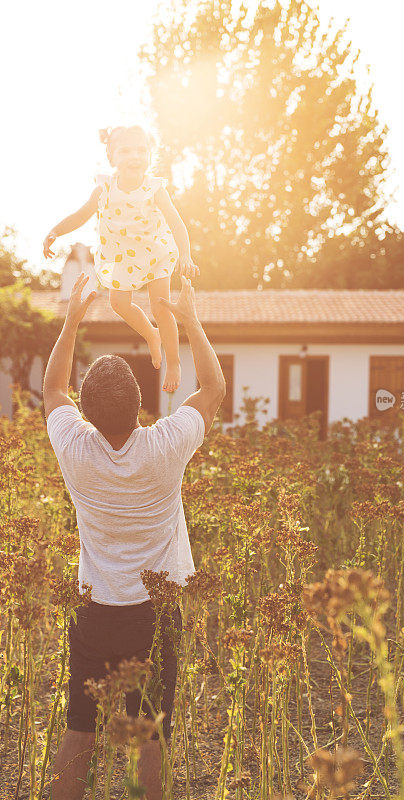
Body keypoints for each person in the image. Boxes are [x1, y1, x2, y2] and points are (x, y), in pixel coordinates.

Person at [44, 272, 226, 800]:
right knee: (149, 730)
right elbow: (212, 389)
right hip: (154, 609)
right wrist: (188, 317)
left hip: (93, 608)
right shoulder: (165, 445)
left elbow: (53, 388)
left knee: (80, 727)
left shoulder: (75, 447)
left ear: (88, 410)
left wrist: (73, 319)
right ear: (140, 403)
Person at [42, 124, 198, 392]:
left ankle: (173, 361)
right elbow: (81, 216)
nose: (134, 156)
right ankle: (151, 334)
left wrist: (186, 255)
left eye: (141, 150)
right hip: (122, 256)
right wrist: (56, 231)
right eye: (125, 151)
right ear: (112, 157)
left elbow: (176, 222)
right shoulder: (103, 188)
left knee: (161, 306)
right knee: (118, 304)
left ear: (150, 155)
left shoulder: (155, 188)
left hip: (154, 251)